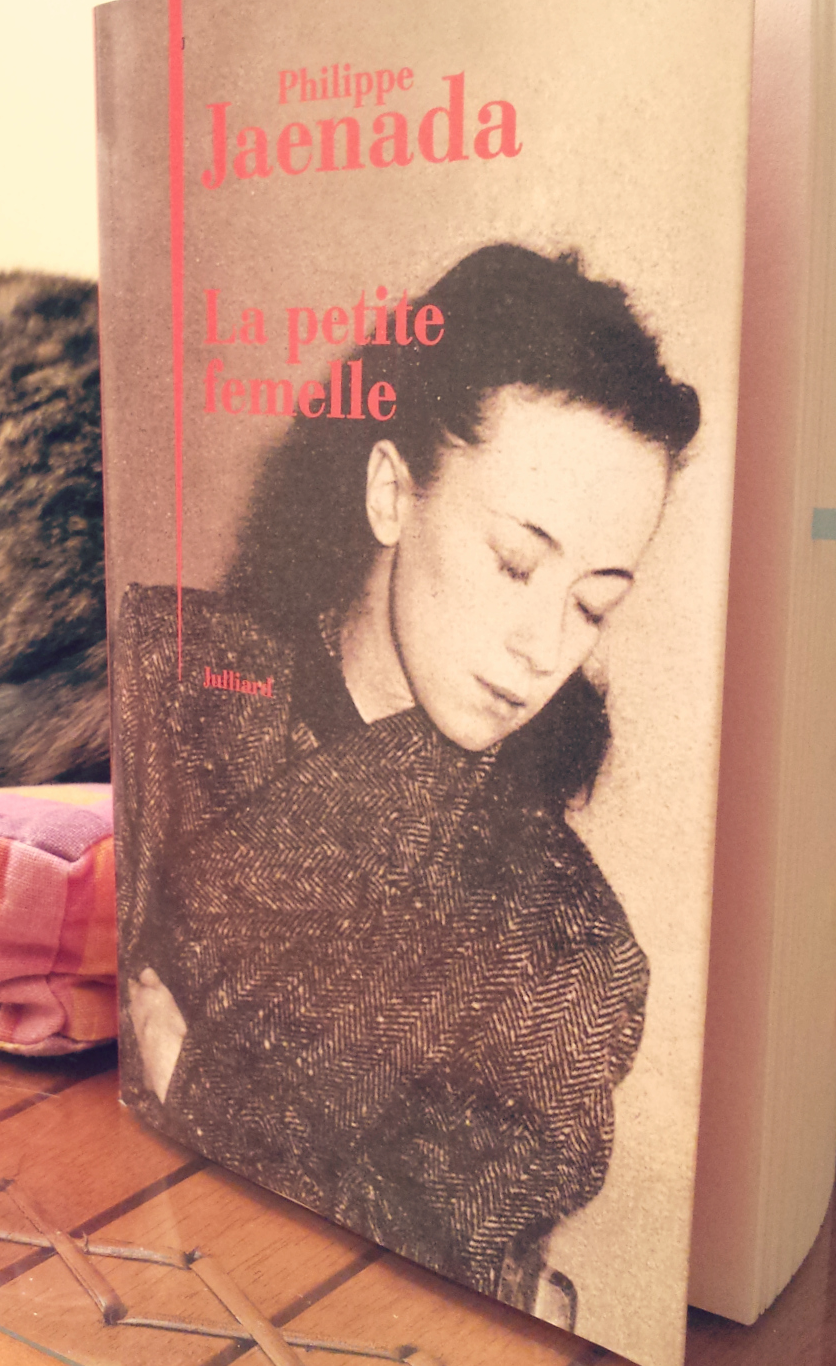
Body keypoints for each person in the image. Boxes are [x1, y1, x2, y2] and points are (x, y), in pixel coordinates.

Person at [115, 243, 701, 1323]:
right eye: (516, 564)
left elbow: (445, 1274)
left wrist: (197, 1081)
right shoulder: (161, 665)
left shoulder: (571, 954)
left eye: (593, 605)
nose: (543, 648)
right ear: (392, 492)